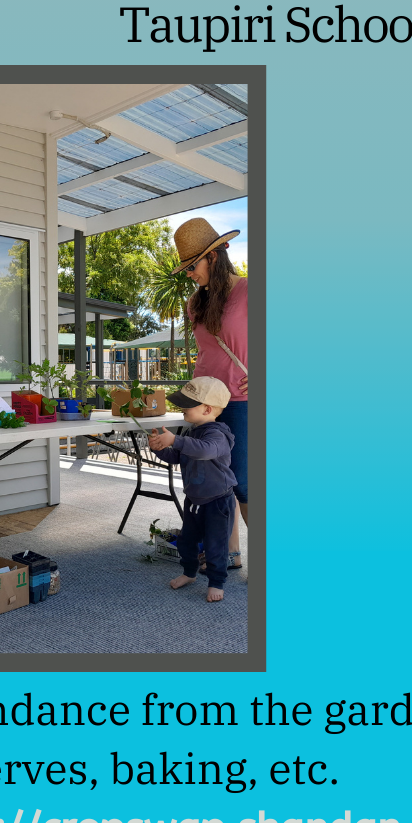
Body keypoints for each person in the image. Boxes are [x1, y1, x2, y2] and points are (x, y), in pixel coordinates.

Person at [173, 217, 248, 569]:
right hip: (202, 400)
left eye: (192, 265)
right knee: (215, 479)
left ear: (214, 258)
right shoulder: (196, 303)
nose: (189, 273)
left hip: (243, 401)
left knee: (245, 482)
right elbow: (206, 354)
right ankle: (227, 553)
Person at [147, 377, 237, 602]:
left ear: (207, 409)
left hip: (218, 501)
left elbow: (206, 451)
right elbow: (177, 456)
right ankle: (189, 572)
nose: (182, 408)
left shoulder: (219, 435)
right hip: (194, 499)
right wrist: (160, 447)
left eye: (188, 404)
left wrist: (176, 440)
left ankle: (216, 582)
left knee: (215, 544)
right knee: (187, 540)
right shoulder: (192, 432)